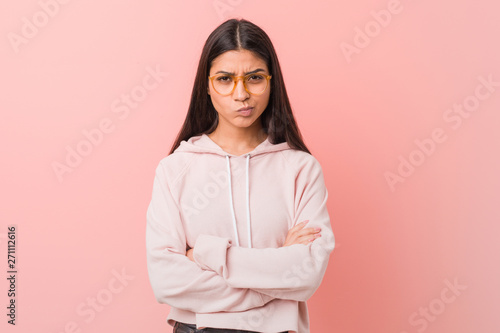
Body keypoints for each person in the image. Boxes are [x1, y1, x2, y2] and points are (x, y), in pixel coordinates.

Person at [146, 18, 335, 333]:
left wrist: (207, 255)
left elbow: (306, 274)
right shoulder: (175, 170)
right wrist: (276, 276)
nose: (241, 94)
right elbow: (166, 281)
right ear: (206, 85)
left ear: (272, 82)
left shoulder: (301, 169)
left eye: (255, 78)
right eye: (225, 79)